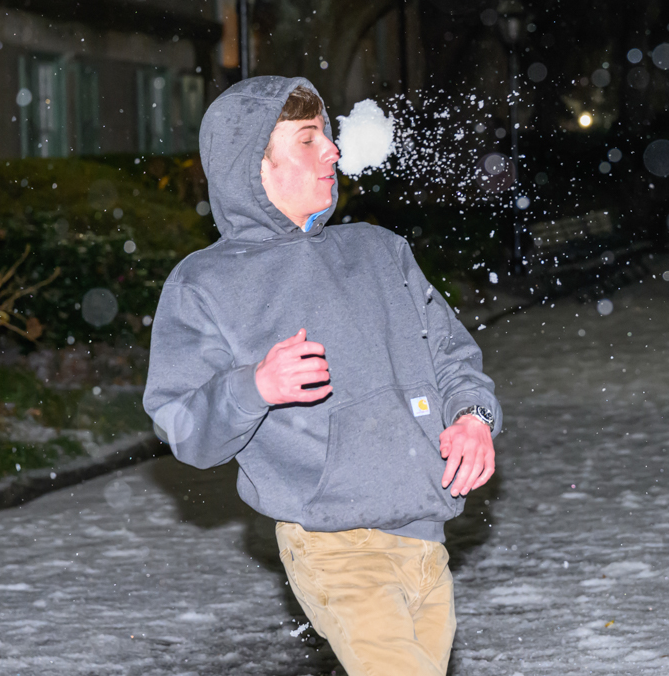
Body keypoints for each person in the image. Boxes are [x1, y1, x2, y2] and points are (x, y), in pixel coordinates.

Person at [144, 76, 500, 676]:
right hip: (334, 545)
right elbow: (183, 427)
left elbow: (453, 355)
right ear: (252, 162)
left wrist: (472, 417)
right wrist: (251, 388)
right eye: (309, 138)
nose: (332, 150)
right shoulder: (206, 284)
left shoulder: (380, 251)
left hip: (424, 533)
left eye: (329, 135)